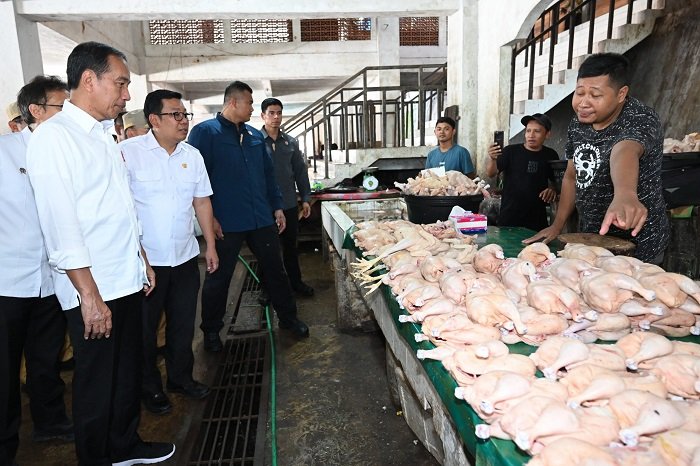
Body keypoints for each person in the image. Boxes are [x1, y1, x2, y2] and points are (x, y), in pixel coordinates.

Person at [25, 41, 174, 466]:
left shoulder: (103, 135)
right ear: (89, 80)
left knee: (126, 371)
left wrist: (141, 256)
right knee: (96, 382)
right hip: (93, 286)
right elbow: (61, 224)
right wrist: (89, 296)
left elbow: (119, 206)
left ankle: (124, 445)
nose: (126, 94)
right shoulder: (55, 138)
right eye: (121, 83)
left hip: (123, 276)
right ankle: (97, 457)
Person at [188, 80, 310, 350]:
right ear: (233, 102)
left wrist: (277, 206)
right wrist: (210, 220)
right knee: (219, 276)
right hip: (226, 222)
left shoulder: (254, 137)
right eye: (250, 102)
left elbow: (269, 177)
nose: (253, 108)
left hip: (260, 218)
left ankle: (289, 318)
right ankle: (211, 331)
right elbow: (195, 181)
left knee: (275, 270)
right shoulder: (204, 134)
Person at [119, 90, 218, 415]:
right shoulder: (127, 153)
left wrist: (211, 246)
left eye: (185, 114)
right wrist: (140, 259)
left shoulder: (192, 155)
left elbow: (201, 201)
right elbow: (122, 209)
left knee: (183, 324)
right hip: (148, 264)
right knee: (145, 331)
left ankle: (180, 378)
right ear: (154, 120)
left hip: (186, 257)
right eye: (175, 114)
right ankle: (150, 388)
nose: (183, 121)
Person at [524, 53, 670, 263]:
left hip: (640, 246)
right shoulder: (578, 123)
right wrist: (557, 224)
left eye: (595, 95)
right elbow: (571, 177)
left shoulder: (640, 118)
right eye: (579, 92)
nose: (583, 103)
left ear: (621, 94)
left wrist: (625, 194)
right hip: (592, 240)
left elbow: (624, 151)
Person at [1, 76, 73, 466]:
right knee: (6, 371)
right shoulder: (4, 153)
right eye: (63, 108)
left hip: (52, 281)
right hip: (7, 284)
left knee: (47, 361)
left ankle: (51, 421)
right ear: (36, 111)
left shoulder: (65, 156)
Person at [260, 97, 314, 297]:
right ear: (263, 116)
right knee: (267, 250)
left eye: (279, 113)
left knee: (291, 248)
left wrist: (306, 198)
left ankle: (296, 283)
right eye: (271, 113)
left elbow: (300, 172)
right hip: (265, 206)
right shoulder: (255, 142)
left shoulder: (290, 142)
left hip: (289, 203)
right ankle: (267, 290)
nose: (276, 117)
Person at [485, 113, 559, 231]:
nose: (531, 135)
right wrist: (493, 159)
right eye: (528, 131)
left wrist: (552, 189)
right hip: (510, 216)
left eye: (537, 131)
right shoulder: (510, 151)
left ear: (547, 134)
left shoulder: (551, 155)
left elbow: (557, 181)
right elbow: (491, 173)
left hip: (537, 218)